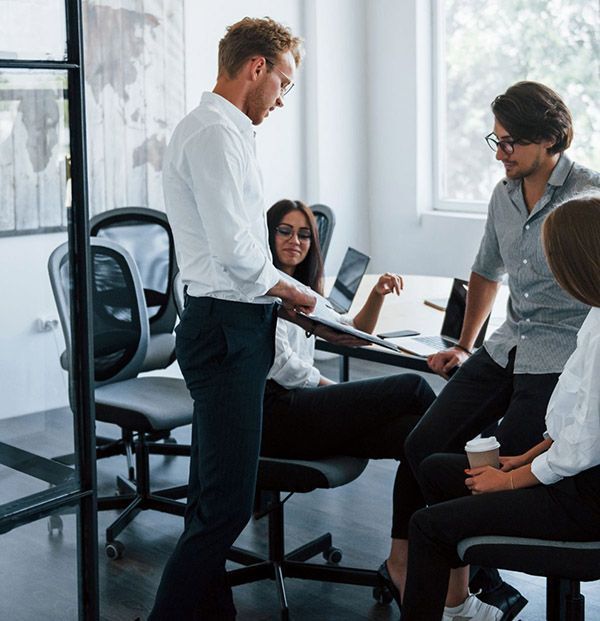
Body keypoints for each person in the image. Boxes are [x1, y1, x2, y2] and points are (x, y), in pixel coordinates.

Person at [404, 81, 600, 615]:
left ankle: (476, 557)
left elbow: (575, 442)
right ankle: (472, 581)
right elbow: (485, 271)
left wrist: (516, 470)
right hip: (508, 342)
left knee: (505, 465)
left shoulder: (589, 195)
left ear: (549, 139)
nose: (501, 154)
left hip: (565, 356)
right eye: (494, 141)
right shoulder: (503, 194)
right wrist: (465, 346)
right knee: (425, 446)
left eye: (511, 142)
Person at [149, 18, 317, 621]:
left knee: (209, 501)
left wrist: (287, 294)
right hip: (225, 328)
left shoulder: (229, 131)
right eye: (283, 82)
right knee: (225, 509)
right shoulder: (214, 134)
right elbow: (236, 250)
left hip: (232, 323)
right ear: (256, 67)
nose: (281, 98)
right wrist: (299, 293)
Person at [261, 199, 437, 611]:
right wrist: (334, 392)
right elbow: (283, 369)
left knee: (416, 436)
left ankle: (400, 561)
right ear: (267, 234)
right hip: (276, 417)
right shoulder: (262, 286)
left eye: (304, 234)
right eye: (285, 231)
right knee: (412, 387)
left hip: (302, 409)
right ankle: (474, 481)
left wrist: (375, 295)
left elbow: (351, 332)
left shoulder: (303, 291)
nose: (295, 241)